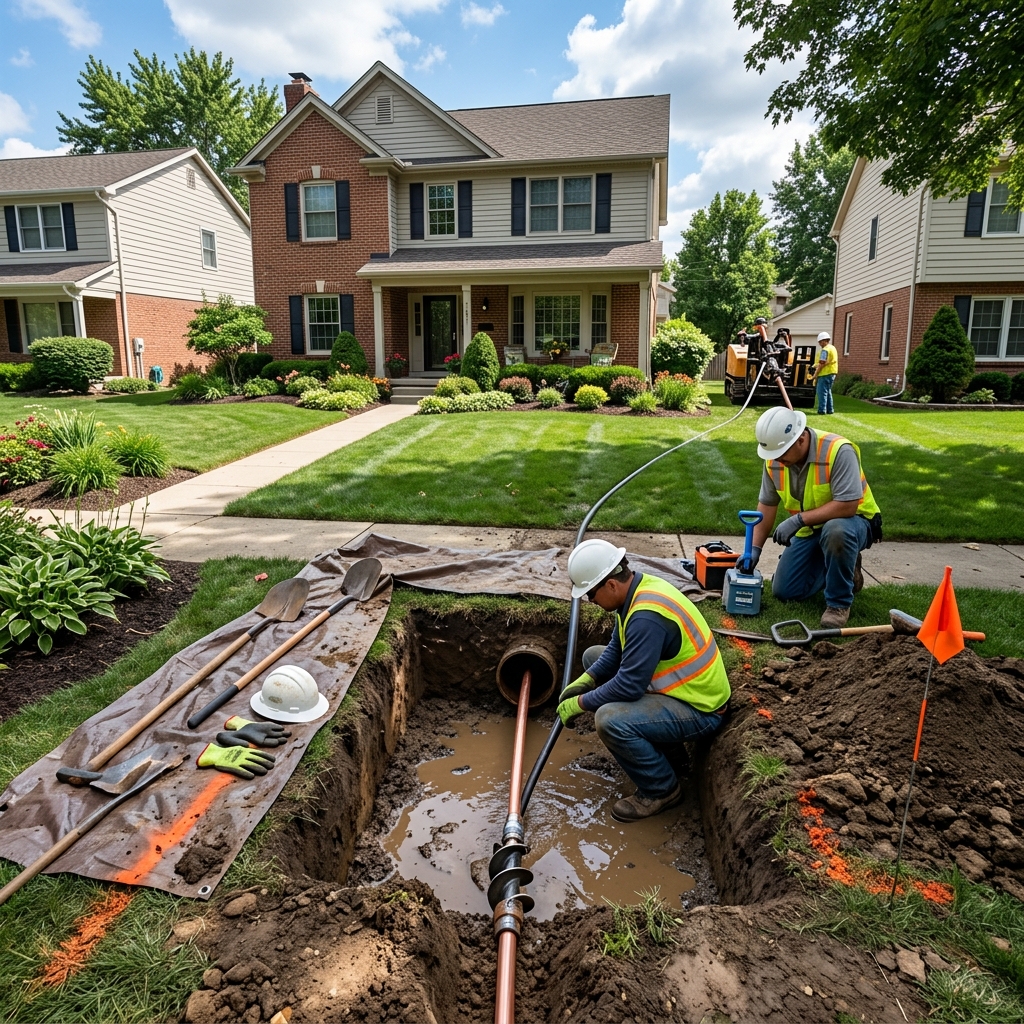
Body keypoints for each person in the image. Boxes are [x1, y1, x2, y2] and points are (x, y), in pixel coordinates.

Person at [557, 539, 731, 823]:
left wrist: (581, 703)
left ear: (611, 585)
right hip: (678, 691)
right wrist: (588, 680)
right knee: (593, 657)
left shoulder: (647, 616)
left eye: (591, 594)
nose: (591, 601)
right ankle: (671, 754)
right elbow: (617, 647)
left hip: (701, 708)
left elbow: (629, 686)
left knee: (609, 719)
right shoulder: (637, 589)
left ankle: (661, 789)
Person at [737, 407, 882, 629]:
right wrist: (755, 549)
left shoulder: (838, 450)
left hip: (854, 522)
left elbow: (848, 505)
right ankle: (842, 564)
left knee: (836, 532)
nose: (777, 459)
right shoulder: (775, 460)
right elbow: (767, 505)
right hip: (811, 529)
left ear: (801, 439)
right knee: (785, 591)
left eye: (782, 453)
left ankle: (838, 604)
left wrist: (797, 520)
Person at [810, 331, 839, 414]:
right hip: (832, 373)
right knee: (828, 392)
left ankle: (822, 410)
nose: (819, 344)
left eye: (820, 342)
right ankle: (830, 410)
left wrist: (815, 375)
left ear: (823, 341)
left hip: (824, 374)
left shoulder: (825, 350)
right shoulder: (832, 348)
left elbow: (822, 364)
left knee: (821, 393)